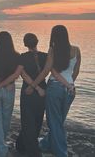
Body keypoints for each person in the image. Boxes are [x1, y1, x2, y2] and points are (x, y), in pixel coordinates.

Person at [30, 25, 81, 157]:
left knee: (54, 121)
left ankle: (61, 153)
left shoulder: (52, 50)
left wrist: (33, 84)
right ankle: (47, 143)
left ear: (54, 36)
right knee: (58, 121)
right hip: (70, 89)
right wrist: (69, 84)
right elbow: (76, 71)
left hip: (55, 88)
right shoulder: (76, 50)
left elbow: (48, 70)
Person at [15, 33, 47, 157]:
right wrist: (39, 88)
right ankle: (22, 145)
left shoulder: (22, 57)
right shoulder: (45, 56)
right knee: (38, 120)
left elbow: (23, 74)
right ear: (37, 41)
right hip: (42, 91)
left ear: (25, 44)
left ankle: (31, 151)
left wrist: (34, 87)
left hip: (28, 91)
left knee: (28, 121)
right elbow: (45, 73)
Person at [0, 31, 21, 157]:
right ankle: (0, 143)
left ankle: (0, 147)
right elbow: (16, 74)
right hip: (10, 88)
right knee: (6, 117)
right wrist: (7, 83)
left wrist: (1, 82)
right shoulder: (17, 56)